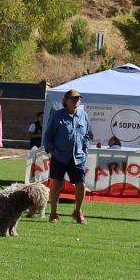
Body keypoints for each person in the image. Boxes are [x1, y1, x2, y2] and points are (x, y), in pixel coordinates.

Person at [44, 88, 90, 224]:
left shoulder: (83, 115)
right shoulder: (58, 115)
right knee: (57, 184)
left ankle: (78, 212)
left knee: (81, 185)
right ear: (66, 101)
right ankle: (53, 214)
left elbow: (86, 134)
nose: (76, 101)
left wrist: (85, 146)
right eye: (73, 98)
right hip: (59, 156)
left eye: (78, 98)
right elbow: (48, 135)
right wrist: (51, 149)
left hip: (78, 156)